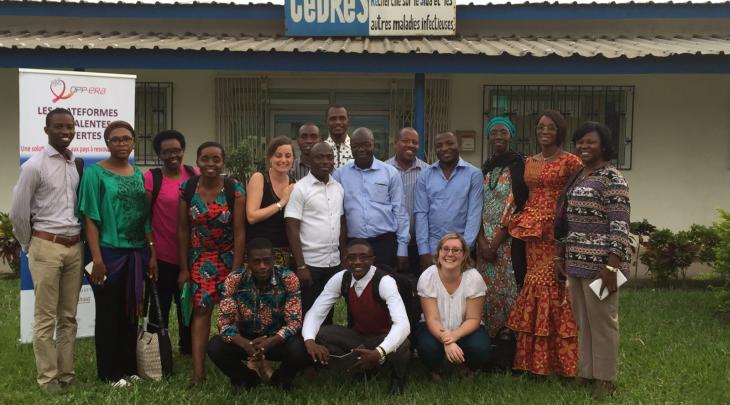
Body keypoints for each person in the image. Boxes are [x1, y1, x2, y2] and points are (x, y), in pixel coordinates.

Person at [77, 120, 158, 386]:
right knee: (108, 313)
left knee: (131, 312)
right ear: (107, 143)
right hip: (108, 254)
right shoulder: (95, 174)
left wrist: (151, 253)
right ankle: (110, 373)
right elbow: (89, 217)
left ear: (134, 142)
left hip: (136, 253)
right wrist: (97, 259)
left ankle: (129, 367)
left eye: (126, 139)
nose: (122, 143)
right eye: (116, 139)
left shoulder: (137, 174)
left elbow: (144, 217)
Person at [9, 108, 83, 393]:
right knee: (45, 317)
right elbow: (18, 212)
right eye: (59, 127)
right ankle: (48, 378)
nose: (66, 132)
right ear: (47, 130)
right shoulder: (34, 166)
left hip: (74, 246)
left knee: (68, 316)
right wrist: (31, 244)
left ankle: (67, 374)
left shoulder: (75, 163)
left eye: (70, 127)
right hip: (46, 246)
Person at [556, 122, 630, 399]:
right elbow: (566, 220)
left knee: (603, 323)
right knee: (583, 322)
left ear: (604, 145)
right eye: (580, 142)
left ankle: (605, 378)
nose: (584, 147)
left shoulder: (612, 178)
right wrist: (561, 253)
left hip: (601, 266)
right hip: (576, 262)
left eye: (591, 142)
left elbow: (620, 226)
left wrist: (612, 266)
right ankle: (586, 373)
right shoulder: (578, 175)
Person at [506, 109, 582, 377]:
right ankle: (533, 362)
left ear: (560, 131)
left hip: (557, 231)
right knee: (534, 285)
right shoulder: (529, 161)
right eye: (540, 127)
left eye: (550, 127)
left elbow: (576, 196)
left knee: (555, 289)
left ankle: (562, 364)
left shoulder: (571, 161)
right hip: (532, 232)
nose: (544, 131)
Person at [302, 239, 411, 394]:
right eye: (352, 257)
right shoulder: (342, 278)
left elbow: (403, 325)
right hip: (358, 337)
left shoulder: (384, 281)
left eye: (363, 257)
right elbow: (316, 312)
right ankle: (363, 369)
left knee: (402, 343)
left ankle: (397, 377)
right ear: (346, 260)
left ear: (372, 260)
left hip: (382, 337)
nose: (357, 262)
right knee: (319, 334)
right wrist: (309, 341)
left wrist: (379, 352)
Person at [177, 141, 246, 385]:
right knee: (202, 310)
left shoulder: (234, 189)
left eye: (216, 159)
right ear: (198, 161)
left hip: (228, 256)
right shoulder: (188, 188)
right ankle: (198, 373)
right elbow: (183, 230)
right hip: (200, 258)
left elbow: (239, 232)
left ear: (222, 162)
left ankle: (239, 367)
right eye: (205, 159)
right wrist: (184, 268)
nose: (210, 164)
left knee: (234, 312)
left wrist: (237, 271)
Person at [207, 237, 311, 391]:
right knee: (215, 346)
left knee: (300, 348)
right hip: (245, 340)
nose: (262, 266)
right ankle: (246, 379)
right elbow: (224, 323)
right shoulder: (234, 280)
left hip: (277, 340)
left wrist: (271, 342)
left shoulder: (288, 278)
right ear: (248, 262)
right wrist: (245, 344)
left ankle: (281, 379)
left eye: (267, 261)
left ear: (273, 259)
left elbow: (294, 322)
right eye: (256, 262)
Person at [477, 117, 528, 350]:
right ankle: (489, 341)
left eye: (503, 132)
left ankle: (511, 342)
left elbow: (519, 206)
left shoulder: (519, 165)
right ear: (488, 137)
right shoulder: (486, 167)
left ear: (511, 136)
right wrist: (482, 242)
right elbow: (477, 206)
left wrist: (495, 243)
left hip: (507, 241)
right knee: (486, 290)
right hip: (483, 242)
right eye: (494, 132)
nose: (498, 137)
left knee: (509, 289)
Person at [144, 129, 196, 355]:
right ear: (159, 154)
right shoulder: (151, 178)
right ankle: (157, 350)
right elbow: (144, 218)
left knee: (188, 306)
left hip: (191, 255)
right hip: (162, 256)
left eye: (177, 150)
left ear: (183, 150)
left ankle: (188, 348)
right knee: (159, 307)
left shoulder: (194, 174)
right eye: (166, 152)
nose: (173, 155)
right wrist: (152, 254)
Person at [333, 127, 409, 271]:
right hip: (353, 244)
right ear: (350, 147)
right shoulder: (340, 175)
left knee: (384, 286)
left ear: (374, 144)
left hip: (384, 243)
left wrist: (402, 249)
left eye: (366, 145)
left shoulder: (390, 173)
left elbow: (400, 212)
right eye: (356, 146)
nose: (361, 149)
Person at [416, 233, 490, 380]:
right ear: (438, 253)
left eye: (456, 250)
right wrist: (448, 341)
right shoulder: (428, 276)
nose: (450, 254)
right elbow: (432, 319)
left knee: (480, 348)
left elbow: (473, 318)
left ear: (464, 255)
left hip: (465, 327)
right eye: (445, 249)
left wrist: (453, 336)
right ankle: (436, 368)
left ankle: (469, 368)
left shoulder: (474, 278)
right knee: (427, 348)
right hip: (435, 327)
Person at [414, 131, 483, 271]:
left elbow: (474, 215)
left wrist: (465, 249)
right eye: (439, 145)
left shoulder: (474, 174)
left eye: (450, 143)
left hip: (462, 248)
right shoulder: (425, 175)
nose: (445, 148)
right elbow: (421, 214)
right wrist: (423, 251)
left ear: (459, 144)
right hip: (433, 249)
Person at [385, 127, 430, 279]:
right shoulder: (383, 170)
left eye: (414, 142)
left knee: (421, 288)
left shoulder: (428, 171)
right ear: (395, 143)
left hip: (420, 244)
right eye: (405, 141)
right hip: (390, 243)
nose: (410, 145)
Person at [246, 136, 296, 268]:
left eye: (288, 156)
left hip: (283, 252)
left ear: (293, 159)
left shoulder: (294, 184)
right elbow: (252, 216)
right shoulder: (259, 178)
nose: (283, 160)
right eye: (278, 155)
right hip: (258, 253)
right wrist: (282, 202)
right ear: (270, 158)